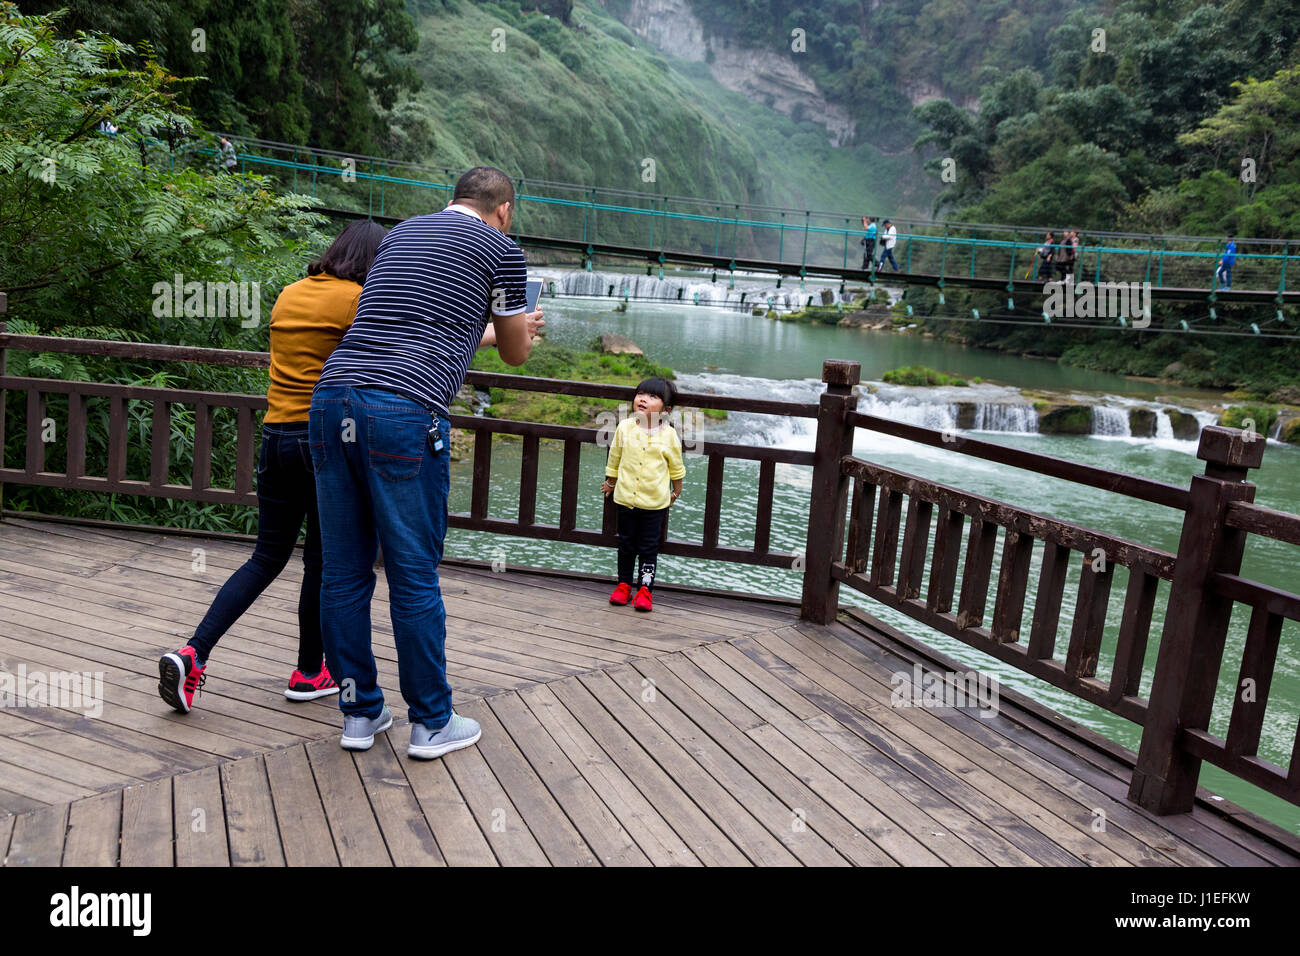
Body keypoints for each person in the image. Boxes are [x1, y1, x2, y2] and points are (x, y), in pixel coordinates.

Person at [310, 165, 543, 759]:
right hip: (405, 412)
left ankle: (360, 715)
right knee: (412, 572)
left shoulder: (402, 232)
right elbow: (516, 353)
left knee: (343, 570)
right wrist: (518, 330)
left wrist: (480, 332)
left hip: (333, 396)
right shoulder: (502, 248)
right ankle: (432, 721)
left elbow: (412, 325)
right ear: (505, 209)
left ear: (454, 199)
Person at [158, 220, 388, 714]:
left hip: (276, 437)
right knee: (322, 564)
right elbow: (392, 352)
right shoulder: (356, 300)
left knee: (266, 557)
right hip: (324, 440)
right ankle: (309, 672)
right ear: (373, 259)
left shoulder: (289, 293)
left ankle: (193, 652)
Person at [601, 378, 685, 613]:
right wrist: (610, 483)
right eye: (641, 394)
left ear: (666, 410)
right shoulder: (625, 427)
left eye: (652, 396)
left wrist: (676, 492)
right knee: (626, 544)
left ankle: (645, 590)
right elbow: (615, 459)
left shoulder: (668, 435)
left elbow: (676, 468)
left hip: (654, 504)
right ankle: (624, 585)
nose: (643, 399)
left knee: (648, 548)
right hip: (625, 499)